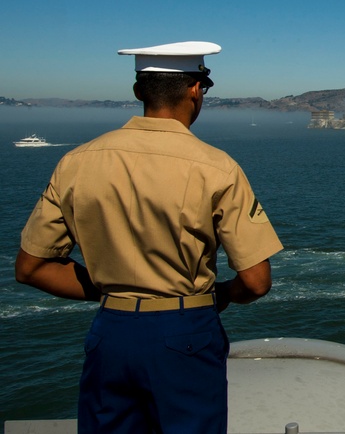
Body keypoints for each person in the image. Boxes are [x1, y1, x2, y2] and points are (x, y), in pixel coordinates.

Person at [15, 41, 283, 434]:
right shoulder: (217, 168)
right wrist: (217, 296)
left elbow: (30, 268)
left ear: (139, 91)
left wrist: (118, 293)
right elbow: (257, 282)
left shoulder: (75, 162)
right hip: (187, 331)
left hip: (111, 333)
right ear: (195, 90)